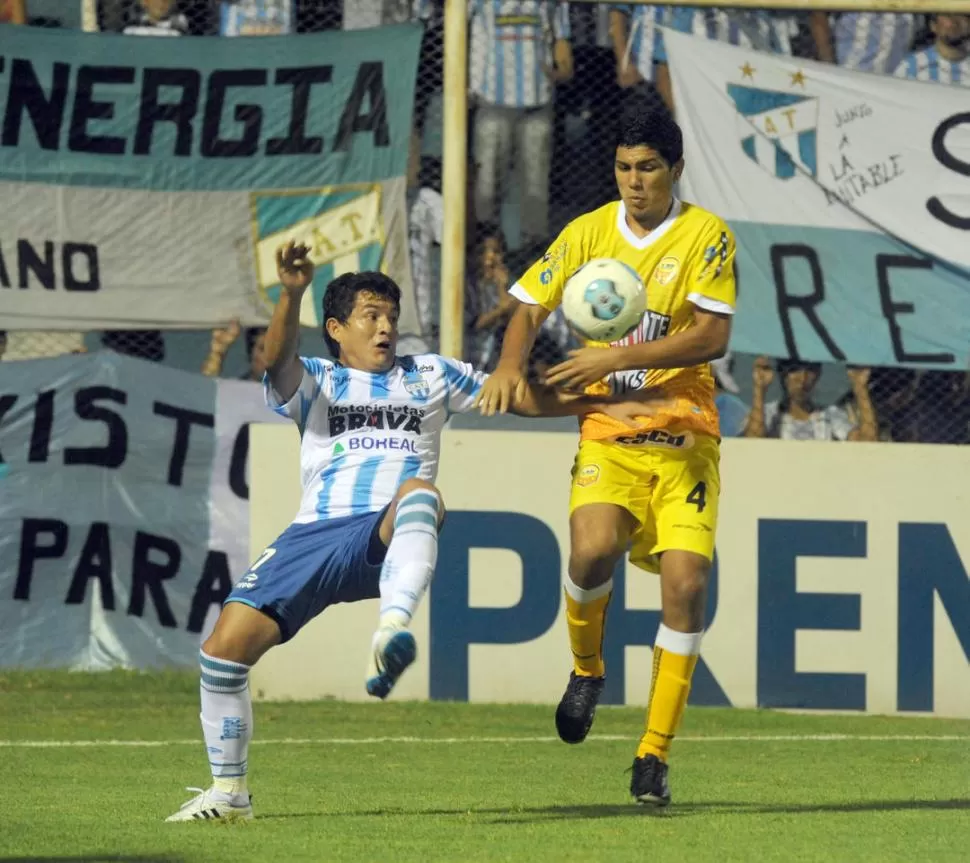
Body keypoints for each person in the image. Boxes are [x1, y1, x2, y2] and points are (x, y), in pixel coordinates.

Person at [167, 241, 659, 822]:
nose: (384, 329)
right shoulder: (318, 379)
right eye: (370, 318)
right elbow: (275, 362)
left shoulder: (431, 374)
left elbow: (518, 394)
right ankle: (229, 797)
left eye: (390, 318)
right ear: (335, 329)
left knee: (420, 491)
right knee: (221, 655)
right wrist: (292, 291)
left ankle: (392, 629)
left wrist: (598, 405)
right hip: (314, 535)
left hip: (388, 530)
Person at [476, 101, 736, 807]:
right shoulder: (589, 231)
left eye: (648, 167)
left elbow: (711, 339)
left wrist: (610, 356)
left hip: (684, 433)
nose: (634, 181)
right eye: (623, 167)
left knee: (684, 585)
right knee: (590, 551)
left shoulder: (707, 236)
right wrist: (509, 362)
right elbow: (529, 304)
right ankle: (587, 670)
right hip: (610, 428)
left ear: (674, 169)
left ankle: (653, 754)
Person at [744, 357, 876, 441]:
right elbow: (751, 442)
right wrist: (759, 389)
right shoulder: (769, 413)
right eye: (795, 370)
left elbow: (867, 443)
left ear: (818, 375)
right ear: (783, 374)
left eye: (810, 371)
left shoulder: (829, 415)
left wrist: (860, 387)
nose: (803, 379)